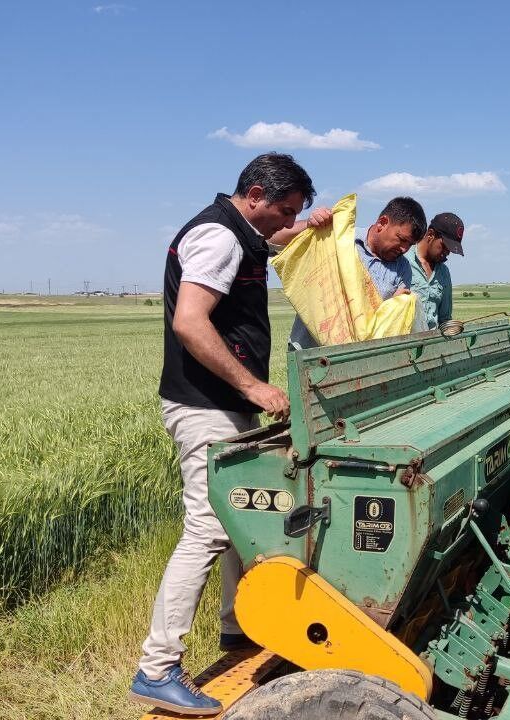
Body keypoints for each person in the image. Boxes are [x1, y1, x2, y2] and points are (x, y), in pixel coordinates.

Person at [130, 153, 325, 716]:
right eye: (284, 210)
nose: (285, 221)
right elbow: (190, 321)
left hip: (223, 403)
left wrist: (308, 227)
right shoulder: (219, 237)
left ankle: (238, 630)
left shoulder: (244, 231)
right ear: (256, 194)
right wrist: (254, 387)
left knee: (242, 512)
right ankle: (157, 668)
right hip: (204, 405)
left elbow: (275, 238)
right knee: (209, 527)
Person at [287, 197, 427, 348]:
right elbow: (275, 238)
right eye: (401, 239)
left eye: (410, 244)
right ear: (382, 223)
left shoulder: (403, 269)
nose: (404, 249)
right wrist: (308, 224)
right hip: (309, 351)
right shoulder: (339, 238)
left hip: (356, 356)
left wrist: (395, 305)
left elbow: (390, 323)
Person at [406, 212, 465, 331]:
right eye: (444, 246)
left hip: (432, 341)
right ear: (431, 234)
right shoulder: (403, 261)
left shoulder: (444, 273)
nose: (447, 252)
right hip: (404, 340)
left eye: (450, 250)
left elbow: (445, 319)